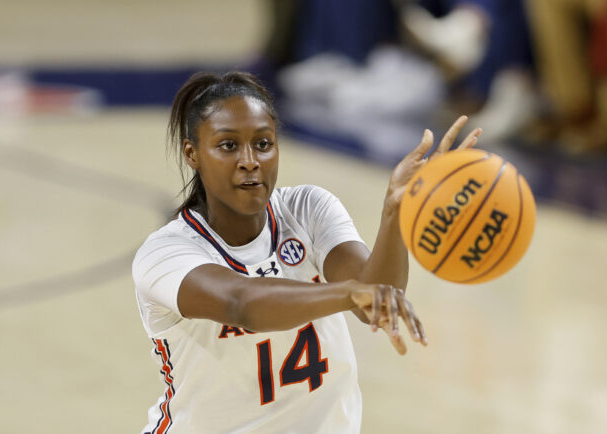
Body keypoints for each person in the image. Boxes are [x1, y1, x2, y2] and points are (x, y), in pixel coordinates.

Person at [132, 71, 481, 433]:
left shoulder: (307, 209)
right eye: (228, 146)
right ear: (193, 154)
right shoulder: (166, 253)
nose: (250, 160)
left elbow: (374, 300)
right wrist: (350, 292)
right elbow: (243, 303)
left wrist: (396, 214)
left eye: (263, 143)